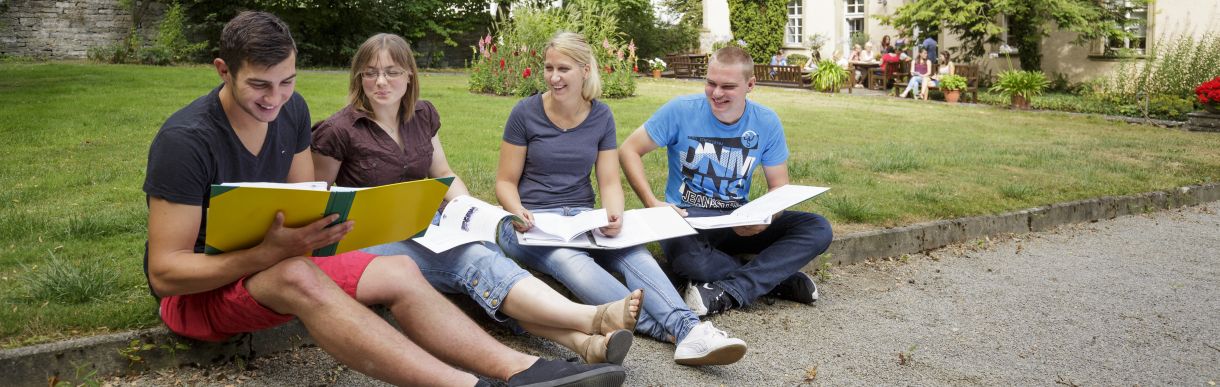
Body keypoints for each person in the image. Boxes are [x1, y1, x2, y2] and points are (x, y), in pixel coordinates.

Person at [142, 12, 624, 387]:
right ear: (223, 70)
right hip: (203, 294)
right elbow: (166, 275)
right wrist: (268, 253)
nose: (276, 98)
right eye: (259, 85)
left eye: (287, 81)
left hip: (274, 262)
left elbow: (305, 200)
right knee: (295, 273)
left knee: (400, 269)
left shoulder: (290, 112)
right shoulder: (186, 141)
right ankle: (468, 384)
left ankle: (522, 370)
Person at [311, 33, 641, 366]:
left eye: (392, 71)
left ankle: (586, 346)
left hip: (424, 225)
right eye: (370, 72)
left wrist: (471, 212)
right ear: (359, 77)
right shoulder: (338, 130)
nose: (381, 81)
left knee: (488, 255)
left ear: (409, 74)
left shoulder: (422, 115)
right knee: (475, 262)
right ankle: (592, 318)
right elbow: (317, 198)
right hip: (370, 238)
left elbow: (443, 173)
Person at [495, 31, 747, 366]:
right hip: (531, 224)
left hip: (582, 216)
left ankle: (688, 330)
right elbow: (505, 182)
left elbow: (610, 181)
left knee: (634, 253)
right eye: (549, 67)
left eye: (564, 69)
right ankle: (676, 331)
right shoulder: (525, 114)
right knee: (574, 265)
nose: (554, 77)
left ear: (585, 70)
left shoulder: (601, 117)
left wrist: (614, 213)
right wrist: (517, 211)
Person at [618, 46, 834, 318]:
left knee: (817, 227)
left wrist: (765, 216)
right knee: (691, 261)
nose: (716, 93)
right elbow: (628, 150)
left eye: (728, 86)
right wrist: (652, 203)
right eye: (711, 83)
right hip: (685, 218)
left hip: (735, 220)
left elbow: (780, 187)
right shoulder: (680, 110)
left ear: (750, 85)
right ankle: (777, 280)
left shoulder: (766, 122)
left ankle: (734, 287)